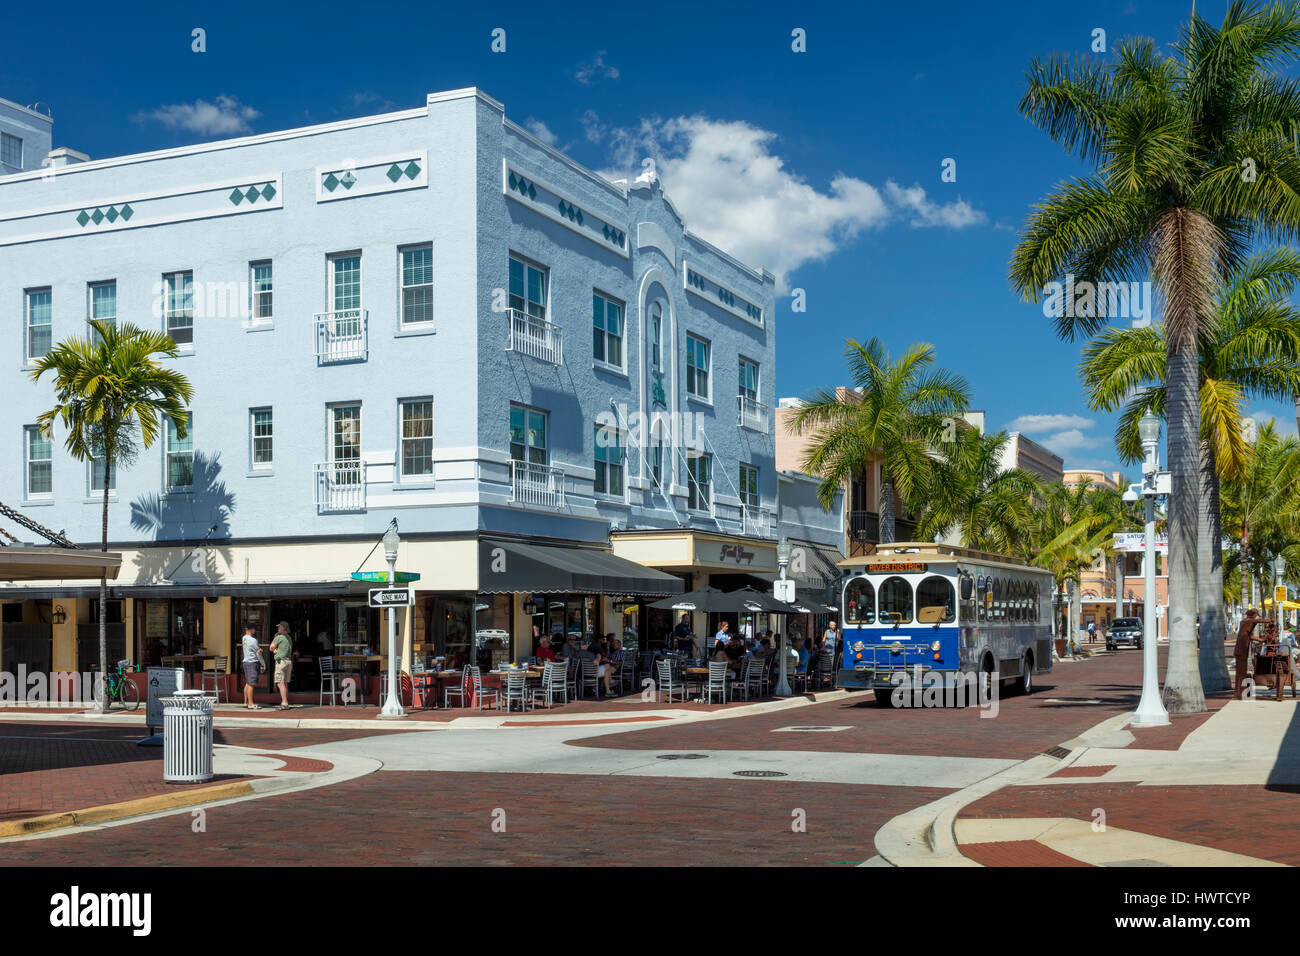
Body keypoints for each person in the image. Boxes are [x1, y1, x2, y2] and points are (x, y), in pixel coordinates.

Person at [1233, 608, 1261, 700]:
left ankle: (1238, 693)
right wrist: (1261, 639)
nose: (1256, 617)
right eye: (1256, 615)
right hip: (1242, 650)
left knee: (1240, 673)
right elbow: (1250, 635)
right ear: (1253, 615)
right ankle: (1240, 693)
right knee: (1241, 673)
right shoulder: (1249, 622)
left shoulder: (1243, 622)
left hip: (1240, 649)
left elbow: (1249, 635)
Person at [270, 621, 293, 710]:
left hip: (281, 662)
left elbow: (271, 647)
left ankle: (284, 703)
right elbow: (281, 648)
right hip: (288, 662)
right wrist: (276, 650)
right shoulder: (289, 638)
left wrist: (275, 638)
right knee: (285, 683)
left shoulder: (279, 637)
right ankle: (285, 701)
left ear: (283, 628)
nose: (278, 628)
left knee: (280, 683)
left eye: (279, 627)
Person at [240, 624, 262, 710]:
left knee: (248, 683)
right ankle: (251, 703)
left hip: (246, 661)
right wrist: (263, 663)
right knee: (251, 684)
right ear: (251, 629)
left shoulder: (244, 638)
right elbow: (258, 652)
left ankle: (246, 702)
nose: (255, 630)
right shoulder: (253, 640)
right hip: (252, 662)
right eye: (254, 629)